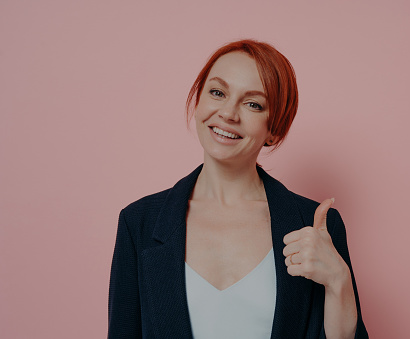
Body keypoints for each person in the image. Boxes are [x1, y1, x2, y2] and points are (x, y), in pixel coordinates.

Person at [108, 39, 368, 339]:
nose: (229, 113)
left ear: (275, 130)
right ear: (198, 101)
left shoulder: (316, 226)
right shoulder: (138, 223)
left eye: (253, 104)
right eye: (217, 92)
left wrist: (339, 281)